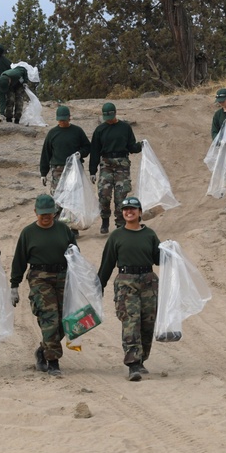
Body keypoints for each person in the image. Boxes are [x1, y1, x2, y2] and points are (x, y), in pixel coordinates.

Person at [10, 194, 78, 377]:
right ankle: (53, 361)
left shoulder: (64, 230)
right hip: (39, 277)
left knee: (66, 320)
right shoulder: (28, 233)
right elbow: (19, 260)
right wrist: (14, 286)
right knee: (50, 318)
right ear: (35, 213)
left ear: (55, 213)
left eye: (49, 214)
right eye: (42, 214)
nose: (46, 217)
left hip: (63, 276)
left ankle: (43, 349)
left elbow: (74, 253)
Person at [97, 196, 161, 381]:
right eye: (125, 209)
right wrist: (99, 285)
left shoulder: (149, 235)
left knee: (147, 322)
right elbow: (107, 263)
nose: (129, 212)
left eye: (133, 209)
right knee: (131, 321)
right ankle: (132, 364)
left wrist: (170, 251)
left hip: (149, 282)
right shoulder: (116, 236)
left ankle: (141, 360)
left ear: (140, 212)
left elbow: (158, 259)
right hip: (126, 283)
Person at [89, 102, 142, 234]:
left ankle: (120, 224)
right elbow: (95, 151)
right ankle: (105, 220)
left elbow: (131, 147)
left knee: (121, 197)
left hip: (122, 165)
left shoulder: (125, 128)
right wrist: (92, 171)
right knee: (104, 195)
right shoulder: (100, 130)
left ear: (115, 113)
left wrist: (140, 146)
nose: (110, 120)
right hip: (106, 164)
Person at [40, 104, 90, 231]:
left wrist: (80, 153)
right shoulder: (52, 133)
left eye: (64, 119)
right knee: (58, 197)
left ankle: (73, 227)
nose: (62, 122)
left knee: (74, 197)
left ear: (69, 118)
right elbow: (46, 153)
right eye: (60, 120)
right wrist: (43, 173)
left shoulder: (77, 131)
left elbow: (87, 147)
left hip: (74, 169)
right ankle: (57, 226)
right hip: (58, 169)